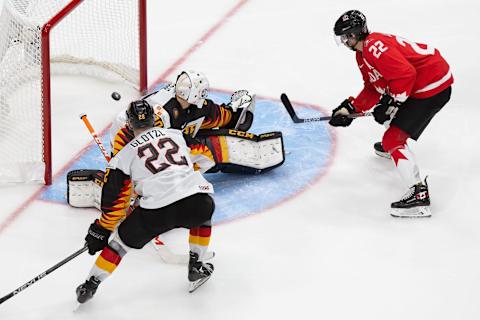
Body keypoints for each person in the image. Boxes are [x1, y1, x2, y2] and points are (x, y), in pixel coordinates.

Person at [76, 100, 215, 303]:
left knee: (119, 244)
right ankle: (197, 264)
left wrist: (101, 231)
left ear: (129, 124)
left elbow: (114, 203)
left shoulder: (123, 156)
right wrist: (184, 173)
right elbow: (207, 156)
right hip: (195, 202)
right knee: (203, 213)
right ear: (155, 119)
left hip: (156, 212)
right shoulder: (177, 135)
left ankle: (90, 284)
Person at [329, 10, 453, 218]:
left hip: (432, 85)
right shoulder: (363, 53)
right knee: (388, 117)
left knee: (392, 137)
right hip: (419, 83)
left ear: (355, 34)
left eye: (345, 36)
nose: (343, 41)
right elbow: (373, 87)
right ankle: (394, 151)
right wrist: (350, 109)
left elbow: (405, 74)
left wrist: (392, 102)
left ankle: (419, 195)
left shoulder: (374, 47)